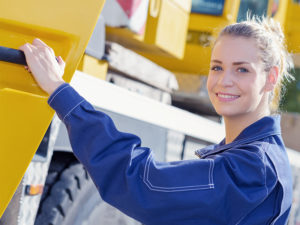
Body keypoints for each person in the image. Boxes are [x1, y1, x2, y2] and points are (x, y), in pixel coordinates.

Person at [20, 16, 294, 225]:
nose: (225, 81)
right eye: (217, 67)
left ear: (271, 77)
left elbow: (144, 183)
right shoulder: (256, 156)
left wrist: (60, 91)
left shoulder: (252, 168)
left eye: (242, 69)